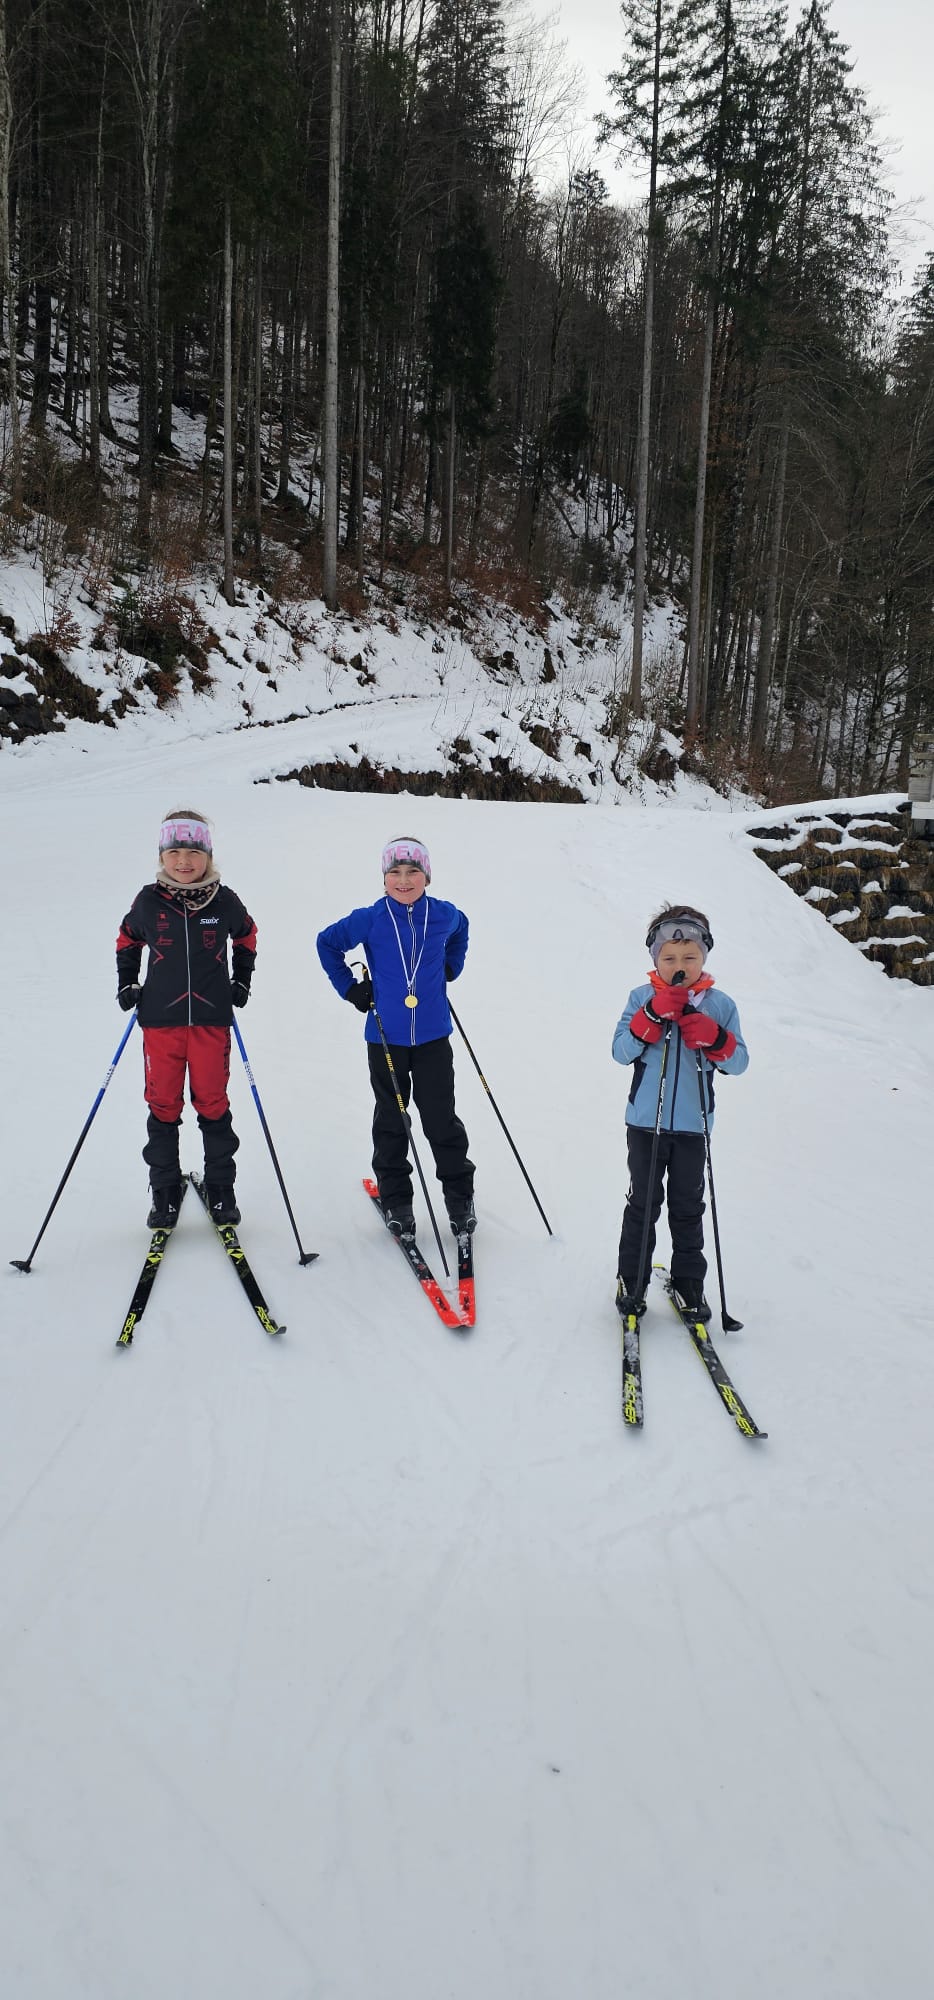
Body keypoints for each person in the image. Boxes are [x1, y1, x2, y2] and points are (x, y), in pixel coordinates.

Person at [316, 836, 475, 1241]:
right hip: (386, 1037)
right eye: (395, 872)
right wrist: (350, 989)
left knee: (441, 1119)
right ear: (384, 878)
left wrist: (451, 965)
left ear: (427, 877)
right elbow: (327, 943)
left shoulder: (443, 914)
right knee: (392, 1118)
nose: (404, 880)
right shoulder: (371, 918)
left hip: (433, 1036)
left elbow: (462, 929)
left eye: (413, 872)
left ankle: (460, 1197)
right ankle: (397, 1199)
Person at [115, 809, 257, 1229]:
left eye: (193, 852)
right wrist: (128, 982)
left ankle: (221, 1187)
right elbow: (127, 939)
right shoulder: (148, 901)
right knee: (162, 1104)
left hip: (212, 1019)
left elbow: (247, 935)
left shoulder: (224, 900)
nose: (183, 861)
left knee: (213, 1102)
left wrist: (242, 980)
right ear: (162, 855)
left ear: (207, 856)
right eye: (174, 852)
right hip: (161, 1020)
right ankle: (164, 1190)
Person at [611, 904, 748, 1319]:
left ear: (704, 956)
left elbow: (738, 1063)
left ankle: (690, 1284)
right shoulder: (641, 998)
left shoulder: (719, 1005)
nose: (680, 966)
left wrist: (715, 1037)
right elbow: (620, 1051)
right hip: (644, 1125)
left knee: (688, 1208)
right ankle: (631, 1281)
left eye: (690, 957)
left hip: (693, 1127)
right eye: (669, 958)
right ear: (656, 959)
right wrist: (651, 1016)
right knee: (643, 1204)